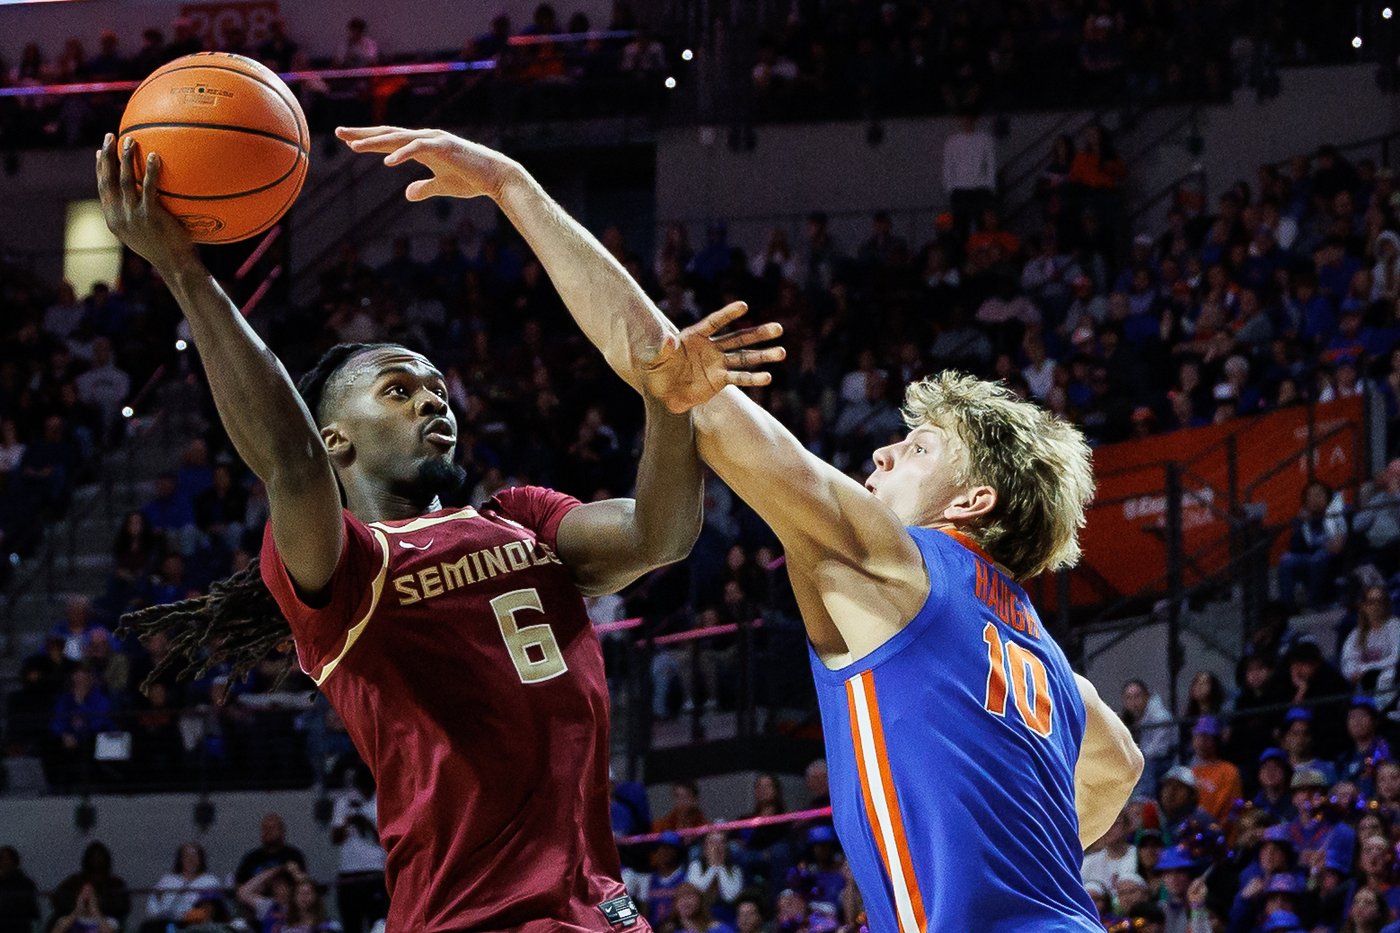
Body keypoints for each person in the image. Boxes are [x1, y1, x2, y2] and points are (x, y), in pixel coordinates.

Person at [341, 127, 1143, 933]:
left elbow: (661, 362)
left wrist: (515, 188)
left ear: (971, 502)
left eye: (920, 447)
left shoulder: (897, 565)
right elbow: (1116, 764)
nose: (884, 448)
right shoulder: (1046, 660)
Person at [99, 129, 774, 931]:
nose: (432, 401)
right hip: (473, 918)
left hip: (601, 911)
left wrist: (671, 407)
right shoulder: (342, 566)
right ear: (336, 439)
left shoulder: (520, 517)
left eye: (437, 390)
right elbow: (286, 455)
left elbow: (661, 534)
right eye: (397, 389)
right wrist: (183, 267)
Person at [330, 767, 387, 933]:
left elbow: (383, 839)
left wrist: (363, 818)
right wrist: (348, 819)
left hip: (375, 872)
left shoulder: (381, 802)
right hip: (350, 872)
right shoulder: (345, 802)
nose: (364, 791)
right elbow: (336, 839)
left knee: (378, 924)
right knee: (351, 925)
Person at [143, 843, 222, 931]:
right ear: (180, 859)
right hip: (166, 923)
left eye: (194, 856)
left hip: (193, 923)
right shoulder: (167, 880)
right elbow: (153, 900)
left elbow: (209, 909)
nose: (190, 859)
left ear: (201, 859)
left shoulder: (210, 880)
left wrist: (185, 916)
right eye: (186, 856)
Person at [234, 815, 307, 886]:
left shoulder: (294, 855)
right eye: (264, 829)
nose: (267, 832)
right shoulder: (251, 858)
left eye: (271, 828)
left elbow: (303, 884)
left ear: (282, 831)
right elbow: (239, 885)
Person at [0, 846, 40, 933]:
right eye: (1, 859)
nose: (3, 862)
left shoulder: (24, 883)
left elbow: (28, 909)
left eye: (6, 859)